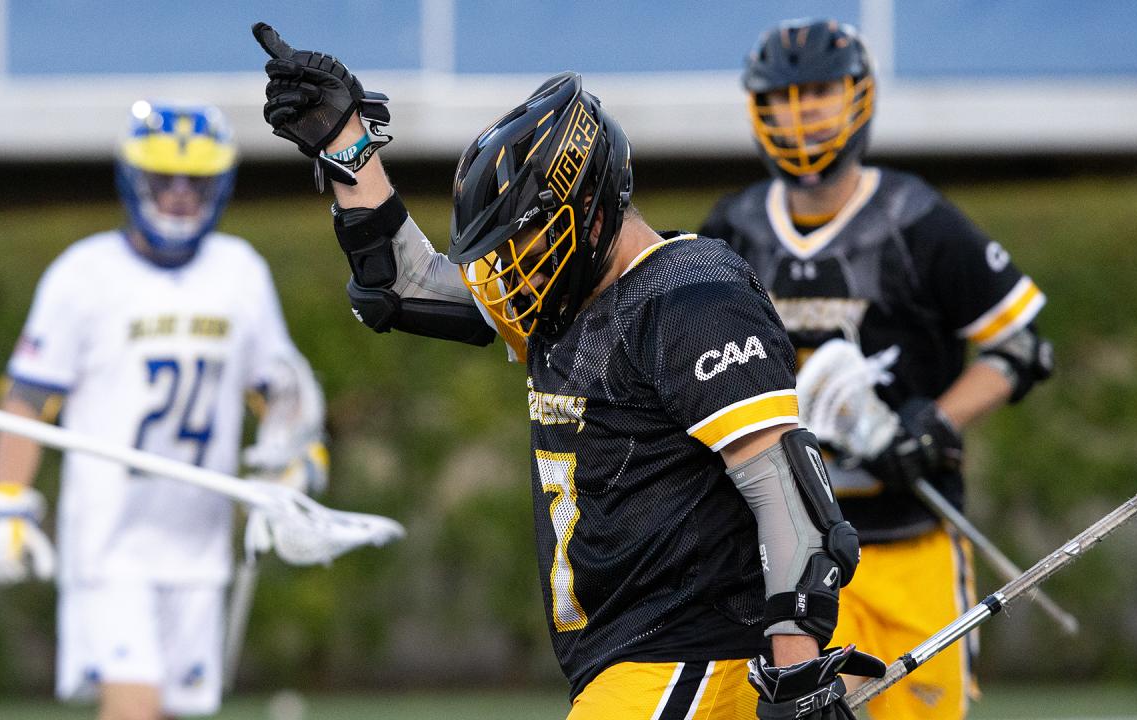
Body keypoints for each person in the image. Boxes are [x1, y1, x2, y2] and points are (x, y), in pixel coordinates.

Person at [249, 22, 885, 720]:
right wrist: (347, 144)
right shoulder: (565, 297)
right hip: (627, 664)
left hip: (693, 660)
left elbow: (788, 493)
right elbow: (399, 288)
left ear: (582, 204)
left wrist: (796, 669)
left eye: (522, 234)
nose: (508, 262)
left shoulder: (693, 298)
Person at [700, 19, 1054, 720]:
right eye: (783, 98)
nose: (801, 116)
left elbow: (1022, 346)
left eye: (819, 94)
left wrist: (935, 423)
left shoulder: (916, 221)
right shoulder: (732, 230)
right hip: (783, 555)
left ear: (859, 97)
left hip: (908, 538)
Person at [0, 100, 327, 720]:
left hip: (198, 542)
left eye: (198, 181)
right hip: (111, 543)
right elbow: (26, 399)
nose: (181, 195)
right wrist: (5, 500)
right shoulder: (83, 275)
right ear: (134, 178)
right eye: (165, 179)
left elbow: (281, 390)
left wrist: (296, 462)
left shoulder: (240, 272)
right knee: (133, 708)